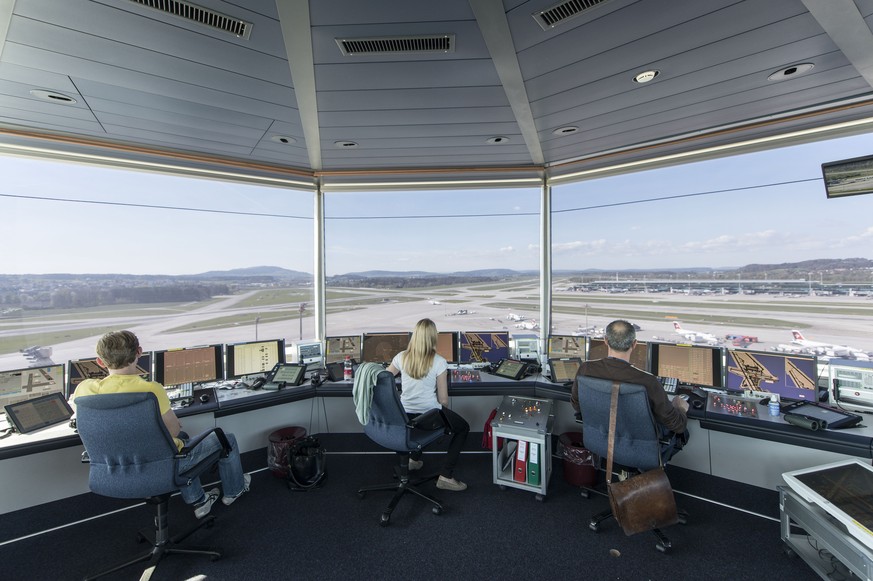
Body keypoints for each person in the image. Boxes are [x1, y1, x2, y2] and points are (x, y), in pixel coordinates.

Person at [70, 330, 250, 518]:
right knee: (225, 439)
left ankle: (199, 500)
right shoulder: (150, 389)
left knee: (184, 439)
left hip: (113, 468)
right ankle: (234, 491)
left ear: (100, 361)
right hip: (163, 466)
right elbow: (172, 431)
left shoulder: (84, 389)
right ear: (139, 352)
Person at [571, 319, 689, 464]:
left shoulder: (585, 369)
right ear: (634, 344)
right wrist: (681, 407)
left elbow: (577, 405)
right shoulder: (648, 381)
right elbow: (678, 425)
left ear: (605, 341)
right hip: (640, 450)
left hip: (599, 441)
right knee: (684, 433)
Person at [387, 318, 470, 491]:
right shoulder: (439, 361)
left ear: (414, 336)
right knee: (462, 428)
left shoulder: (401, 357)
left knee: (418, 428)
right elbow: (443, 400)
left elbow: (383, 380)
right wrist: (445, 421)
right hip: (428, 417)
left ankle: (413, 461)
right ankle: (446, 476)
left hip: (403, 416)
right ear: (433, 338)